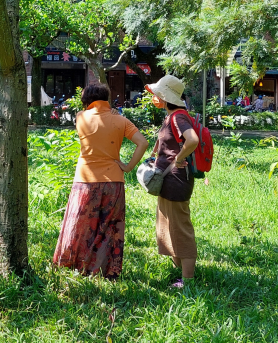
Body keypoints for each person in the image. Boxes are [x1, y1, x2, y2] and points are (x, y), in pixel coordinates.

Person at [53, 84, 149, 280]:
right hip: (114, 179)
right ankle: (107, 272)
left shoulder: (80, 117)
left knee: (79, 224)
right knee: (111, 227)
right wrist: (128, 166)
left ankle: (74, 264)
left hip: (85, 179)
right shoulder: (121, 120)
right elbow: (143, 142)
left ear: (87, 100)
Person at [147, 75, 200, 288]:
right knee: (168, 226)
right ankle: (180, 271)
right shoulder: (172, 116)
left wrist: (178, 159)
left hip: (176, 180)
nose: (154, 97)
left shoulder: (178, 117)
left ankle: (188, 281)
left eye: (158, 93)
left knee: (180, 229)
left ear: (165, 96)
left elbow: (193, 140)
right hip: (168, 181)